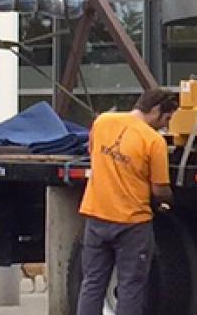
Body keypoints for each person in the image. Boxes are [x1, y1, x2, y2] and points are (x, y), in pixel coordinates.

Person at [75, 90, 178, 315]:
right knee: (130, 287)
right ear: (157, 110)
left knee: (92, 283)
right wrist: (170, 201)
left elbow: (94, 154)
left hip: (96, 217)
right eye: (167, 119)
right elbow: (159, 189)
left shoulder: (102, 122)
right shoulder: (153, 141)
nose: (165, 126)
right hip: (132, 224)